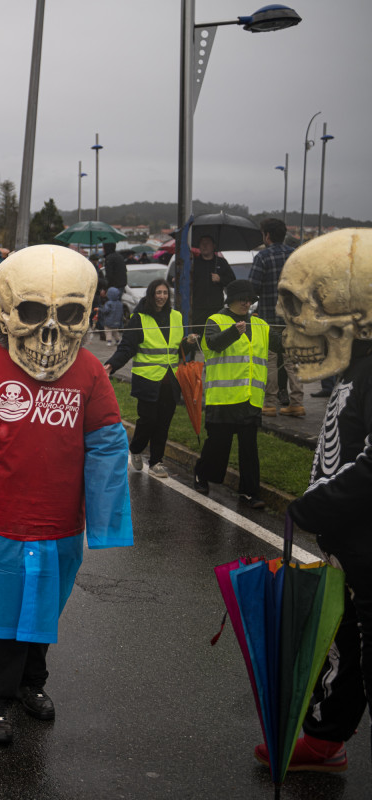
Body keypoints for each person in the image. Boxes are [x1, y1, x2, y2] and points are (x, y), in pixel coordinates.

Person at [0, 245, 133, 745]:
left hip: (60, 521)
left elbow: (106, 444)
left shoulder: (89, 372)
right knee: (3, 613)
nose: (50, 330)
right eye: (34, 314)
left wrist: (105, 522)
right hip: (0, 519)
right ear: (8, 313)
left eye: (66, 316)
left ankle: (31, 684)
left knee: (44, 607)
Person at [253, 229, 370, 774]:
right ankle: (326, 738)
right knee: (345, 637)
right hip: (351, 543)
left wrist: (315, 507)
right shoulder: (357, 366)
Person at [105, 279, 195, 479]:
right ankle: (136, 448)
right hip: (147, 380)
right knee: (148, 421)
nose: (161, 296)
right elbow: (127, 347)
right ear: (151, 294)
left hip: (171, 381)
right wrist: (112, 365)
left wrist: (188, 343)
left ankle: (156, 462)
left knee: (163, 423)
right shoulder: (139, 318)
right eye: (158, 292)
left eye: (165, 293)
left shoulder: (177, 316)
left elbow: (176, 348)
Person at [192, 279, 267, 508]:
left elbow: (280, 344)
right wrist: (233, 333)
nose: (247, 303)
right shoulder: (215, 320)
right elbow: (213, 344)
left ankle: (249, 492)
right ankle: (202, 475)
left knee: (249, 449)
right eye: (243, 299)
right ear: (231, 300)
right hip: (224, 399)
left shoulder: (261, 325)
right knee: (218, 445)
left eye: (250, 300)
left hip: (250, 398)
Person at [249, 217, 303, 417]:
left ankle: (270, 403)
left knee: (270, 360)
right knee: (292, 361)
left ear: (267, 236)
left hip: (269, 319)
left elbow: (252, 288)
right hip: (292, 318)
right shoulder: (295, 256)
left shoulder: (262, 258)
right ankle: (297, 402)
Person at [186, 235, 235, 335]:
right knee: (198, 336)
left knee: (215, 335)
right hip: (198, 308)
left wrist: (220, 279)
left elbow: (232, 281)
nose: (204, 246)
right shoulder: (194, 263)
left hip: (216, 307)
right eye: (202, 243)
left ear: (213, 246)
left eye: (207, 243)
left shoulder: (221, 262)